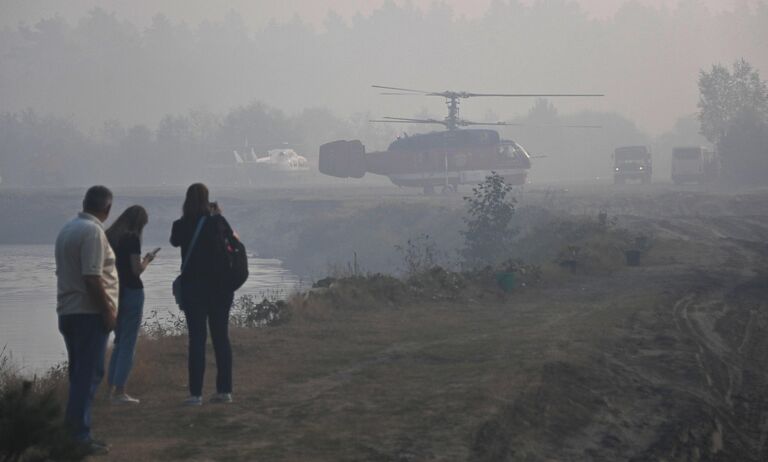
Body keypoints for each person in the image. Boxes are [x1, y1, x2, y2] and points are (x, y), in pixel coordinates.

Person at [54, 185, 118, 454]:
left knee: (80, 374)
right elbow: (92, 277)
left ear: (84, 202)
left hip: (69, 310)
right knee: (88, 374)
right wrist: (107, 311)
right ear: (107, 209)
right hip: (88, 313)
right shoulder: (93, 232)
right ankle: (78, 436)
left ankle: (72, 433)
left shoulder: (68, 229)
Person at [170, 183, 236, 406]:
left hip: (193, 289)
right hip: (220, 289)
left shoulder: (180, 225)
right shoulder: (216, 222)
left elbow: (174, 241)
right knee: (220, 338)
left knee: (196, 340)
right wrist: (217, 215)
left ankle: (195, 394)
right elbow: (232, 239)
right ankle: (225, 390)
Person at [105, 205, 155, 404]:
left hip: (115, 292)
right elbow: (136, 270)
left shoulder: (110, 237)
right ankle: (120, 391)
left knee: (118, 342)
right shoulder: (132, 239)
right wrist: (147, 261)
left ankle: (109, 389)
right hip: (132, 292)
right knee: (128, 342)